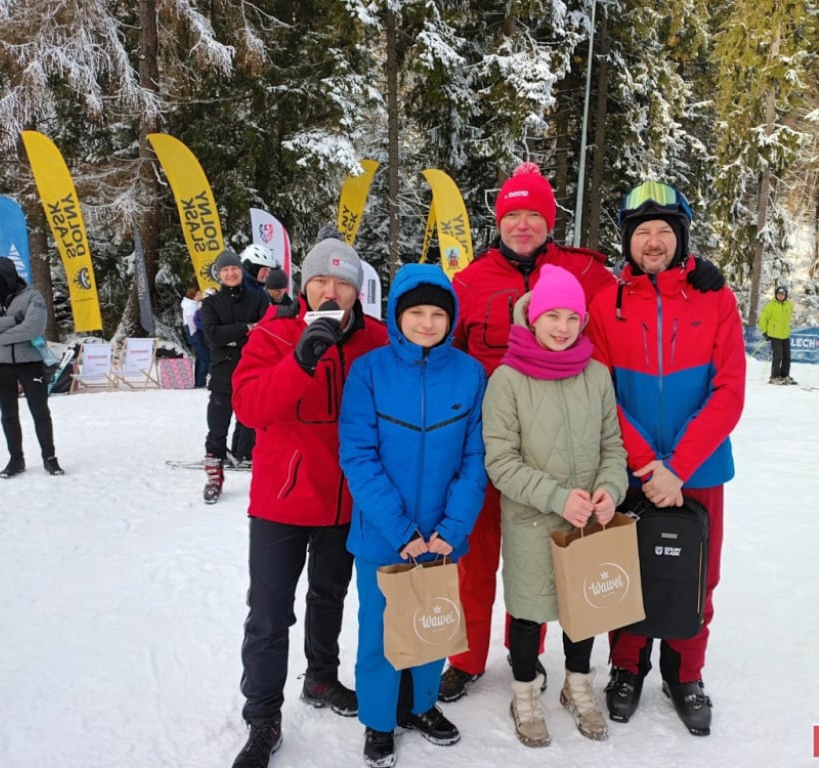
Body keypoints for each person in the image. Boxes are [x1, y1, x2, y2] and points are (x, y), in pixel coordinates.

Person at [441, 162, 725, 702]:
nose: (522, 225)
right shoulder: (471, 280)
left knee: (551, 554)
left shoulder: (585, 274)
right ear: (497, 221)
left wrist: (696, 268)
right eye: (512, 215)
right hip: (487, 445)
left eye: (534, 215)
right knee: (476, 561)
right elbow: (434, 339)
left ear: (550, 221)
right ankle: (466, 659)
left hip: (558, 446)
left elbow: (641, 276)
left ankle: (536, 655)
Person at [585, 180, 746, 737]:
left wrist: (678, 466)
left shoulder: (716, 298)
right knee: (625, 572)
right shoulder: (605, 303)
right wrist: (648, 464)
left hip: (698, 470)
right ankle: (626, 669)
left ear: (681, 238)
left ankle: (685, 673)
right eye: (642, 233)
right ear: (627, 241)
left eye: (664, 232)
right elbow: (601, 390)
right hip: (630, 467)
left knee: (696, 576)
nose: (653, 243)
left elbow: (728, 391)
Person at [227, 228, 388, 768]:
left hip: (347, 502)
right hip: (283, 500)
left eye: (341, 283)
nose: (330, 291)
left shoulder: (377, 339)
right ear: (304, 287)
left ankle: (321, 678)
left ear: (356, 290)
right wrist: (299, 360)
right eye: (319, 280)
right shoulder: (272, 336)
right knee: (270, 615)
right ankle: (262, 716)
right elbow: (249, 410)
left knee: (330, 598)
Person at [339, 263, 487, 768]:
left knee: (433, 622)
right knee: (379, 631)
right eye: (416, 312)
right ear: (398, 315)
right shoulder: (370, 371)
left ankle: (422, 705)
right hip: (384, 534)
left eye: (437, 313)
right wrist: (400, 530)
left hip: (443, 534)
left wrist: (453, 527)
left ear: (451, 318)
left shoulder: (469, 374)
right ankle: (379, 720)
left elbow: (476, 457)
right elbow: (358, 456)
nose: (427, 323)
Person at [482, 264, 628, 747]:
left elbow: (613, 446)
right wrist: (557, 497)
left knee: (582, 610)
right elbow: (500, 462)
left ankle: (577, 684)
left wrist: (611, 489)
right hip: (532, 521)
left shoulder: (597, 375)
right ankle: (524, 692)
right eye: (552, 316)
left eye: (572, 317)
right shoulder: (507, 379)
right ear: (533, 317)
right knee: (527, 613)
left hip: (585, 522)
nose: (562, 327)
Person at [0, 256, 65, 477]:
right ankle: (16, 460)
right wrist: (12, 321)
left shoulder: (32, 296)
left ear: (3, 274)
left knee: (40, 412)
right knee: (8, 414)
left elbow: (33, 327)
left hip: (30, 362)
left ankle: (50, 458)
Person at [199, 250, 269, 503]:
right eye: (225, 270)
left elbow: (266, 330)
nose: (230, 273)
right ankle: (214, 477)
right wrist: (245, 329)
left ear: (241, 270)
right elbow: (212, 336)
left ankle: (264, 472)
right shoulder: (211, 303)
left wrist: (233, 336)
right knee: (217, 427)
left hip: (252, 370)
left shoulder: (258, 297)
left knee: (257, 423)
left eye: (234, 269)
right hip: (222, 372)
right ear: (219, 274)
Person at [758, 285, 795, 384]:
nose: (781, 296)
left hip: (785, 334)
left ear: (786, 295)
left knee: (787, 356)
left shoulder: (789, 305)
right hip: (774, 335)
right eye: (779, 294)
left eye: (783, 294)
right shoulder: (771, 305)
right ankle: (774, 377)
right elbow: (763, 319)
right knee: (778, 356)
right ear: (776, 295)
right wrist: (764, 332)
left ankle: (784, 376)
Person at [181, 287, 210, 387]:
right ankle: (200, 381)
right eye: (198, 295)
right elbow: (192, 323)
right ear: (192, 296)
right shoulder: (191, 306)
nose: (200, 296)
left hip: (195, 334)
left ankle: (199, 381)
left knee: (201, 358)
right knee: (205, 357)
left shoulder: (193, 305)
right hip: (195, 333)